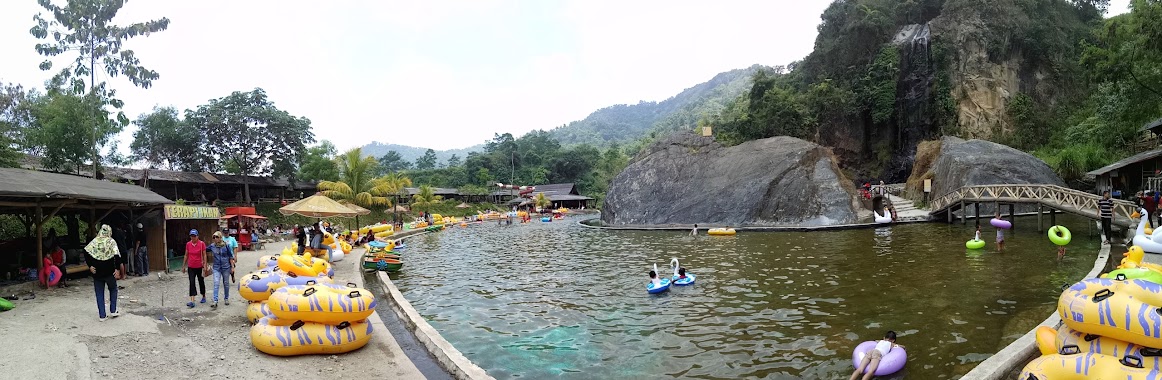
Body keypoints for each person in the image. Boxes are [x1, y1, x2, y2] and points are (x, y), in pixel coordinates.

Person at [84, 225, 123, 321]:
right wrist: (117, 269)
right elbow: (117, 256)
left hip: (97, 272)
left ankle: (102, 315)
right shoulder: (111, 241)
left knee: (99, 293)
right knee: (113, 289)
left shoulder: (95, 241)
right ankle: (113, 310)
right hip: (110, 272)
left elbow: (85, 251)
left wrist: (90, 266)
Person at [207, 232, 235, 308]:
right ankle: (215, 301)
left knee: (226, 283)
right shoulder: (212, 246)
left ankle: (226, 298)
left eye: (217, 237)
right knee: (216, 283)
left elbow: (230, 257)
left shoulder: (226, 246)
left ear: (220, 237)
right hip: (216, 268)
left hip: (226, 267)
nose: (215, 239)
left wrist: (232, 267)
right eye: (214, 237)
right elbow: (204, 250)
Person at [182, 229, 209, 308]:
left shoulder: (201, 244)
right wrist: (183, 266)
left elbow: (204, 255)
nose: (193, 237)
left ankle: (203, 295)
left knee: (201, 281)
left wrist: (205, 265)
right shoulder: (188, 244)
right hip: (191, 266)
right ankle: (192, 300)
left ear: (197, 236)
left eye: (194, 236)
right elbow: (186, 255)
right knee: (192, 282)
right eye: (191, 236)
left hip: (199, 266)